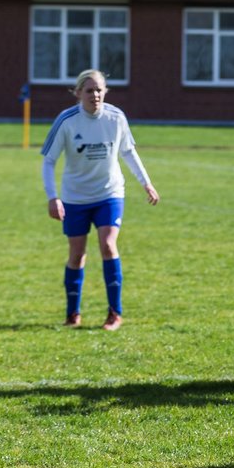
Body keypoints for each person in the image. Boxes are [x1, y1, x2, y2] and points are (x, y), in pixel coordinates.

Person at [41, 69, 159, 330]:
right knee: (77, 255)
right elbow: (49, 161)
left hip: (109, 193)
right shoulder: (67, 120)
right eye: (89, 90)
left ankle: (115, 313)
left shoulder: (116, 117)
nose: (95, 95)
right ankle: (73, 313)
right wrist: (53, 198)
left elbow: (128, 152)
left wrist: (146, 183)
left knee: (107, 245)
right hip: (75, 197)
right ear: (78, 93)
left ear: (105, 92)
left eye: (99, 90)